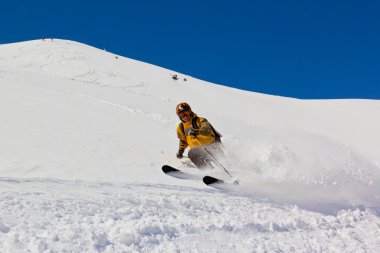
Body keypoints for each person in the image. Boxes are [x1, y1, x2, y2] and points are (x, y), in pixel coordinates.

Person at [175, 102, 223, 169]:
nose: (185, 116)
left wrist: (196, 132)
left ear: (190, 111)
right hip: (199, 150)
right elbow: (183, 140)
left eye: (186, 113)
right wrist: (180, 151)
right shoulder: (181, 128)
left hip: (213, 147)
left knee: (222, 162)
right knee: (192, 153)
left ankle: (231, 171)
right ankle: (208, 171)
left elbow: (207, 130)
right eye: (181, 114)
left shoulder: (200, 120)